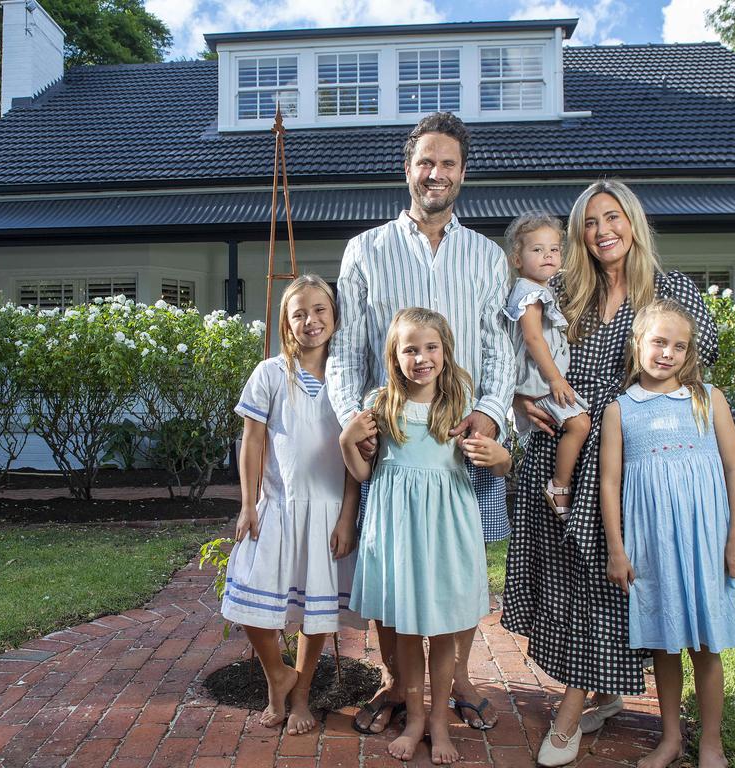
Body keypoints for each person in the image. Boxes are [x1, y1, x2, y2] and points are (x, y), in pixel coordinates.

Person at [500, 180, 719, 767]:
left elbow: (695, 369)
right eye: (590, 223)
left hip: (622, 455)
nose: (602, 232)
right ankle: (604, 686)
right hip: (558, 447)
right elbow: (516, 347)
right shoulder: (564, 286)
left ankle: (570, 716)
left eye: (612, 217)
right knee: (568, 581)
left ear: (633, 222)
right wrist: (521, 402)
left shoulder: (669, 290)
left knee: (602, 578)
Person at [328, 111, 515, 734]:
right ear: (407, 169)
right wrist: (354, 418)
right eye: (425, 162)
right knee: (394, 566)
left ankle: (454, 682)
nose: (436, 173)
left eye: (449, 164)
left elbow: (498, 347)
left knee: (454, 570)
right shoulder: (366, 250)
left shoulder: (486, 257)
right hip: (393, 437)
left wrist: (488, 416)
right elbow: (349, 347)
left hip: (459, 445)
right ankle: (396, 684)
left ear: (463, 174)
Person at [340, 308, 511, 765]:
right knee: (408, 633)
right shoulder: (381, 404)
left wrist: (498, 456)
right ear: (394, 357)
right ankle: (415, 719)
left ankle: (439, 722)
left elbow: (501, 464)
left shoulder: (461, 402)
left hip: (447, 531)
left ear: (445, 350)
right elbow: (363, 472)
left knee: (444, 632)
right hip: (399, 533)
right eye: (410, 349)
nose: (421, 357)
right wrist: (345, 442)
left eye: (430, 347)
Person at [600, 299, 735, 768]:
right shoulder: (620, 410)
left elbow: (734, 468)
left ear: (689, 354)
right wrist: (617, 551)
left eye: (679, 346)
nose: (667, 353)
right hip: (653, 544)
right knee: (665, 643)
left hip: (705, 540)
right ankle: (669, 740)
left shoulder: (709, 398)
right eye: (659, 342)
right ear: (637, 344)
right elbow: (610, 482)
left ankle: (710, 743)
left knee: (706, 645)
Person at [221, 274, 366, 736]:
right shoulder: (270, 373)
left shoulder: (349, 381)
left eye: (320, 310)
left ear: (335, 315)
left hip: (327, 511)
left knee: (316, 611)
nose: (311, 320)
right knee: (248, 600)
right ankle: (277, 676)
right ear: (286, 322)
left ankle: (300, 696)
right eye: (298, 313)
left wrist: (347, 514)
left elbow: (357, 455)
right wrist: (249, 504)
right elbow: (252, 442)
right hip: (277, 507)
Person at [503, 212, 590, 521]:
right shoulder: (532, 294)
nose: (548, 256)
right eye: (537, 250)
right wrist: (555, 379)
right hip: (540, 381)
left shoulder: (535, 290)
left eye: (553, 249)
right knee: (579, 425)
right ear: (517, 258)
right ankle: (559, 484)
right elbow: (533, 338)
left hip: (538, 382)